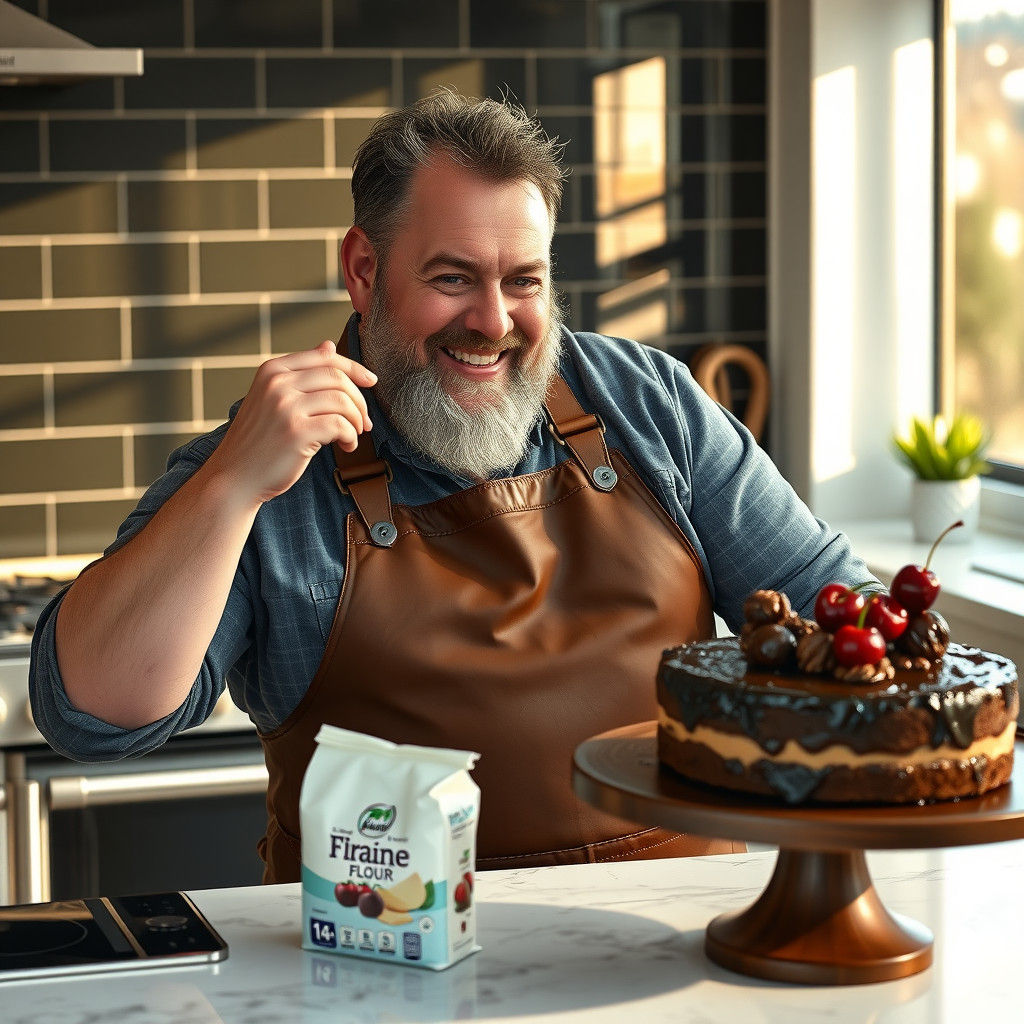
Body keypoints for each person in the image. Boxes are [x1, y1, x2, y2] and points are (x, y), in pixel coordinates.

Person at [29, 91, 872, 879]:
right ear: (363, 269)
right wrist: (227, 488)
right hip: (386, 969)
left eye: (524, 280)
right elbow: (95, 720)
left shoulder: (648, 402)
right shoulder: (266, 475)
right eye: (453, 278)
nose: (494, 322)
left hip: (669, 954)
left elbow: (835, 608)